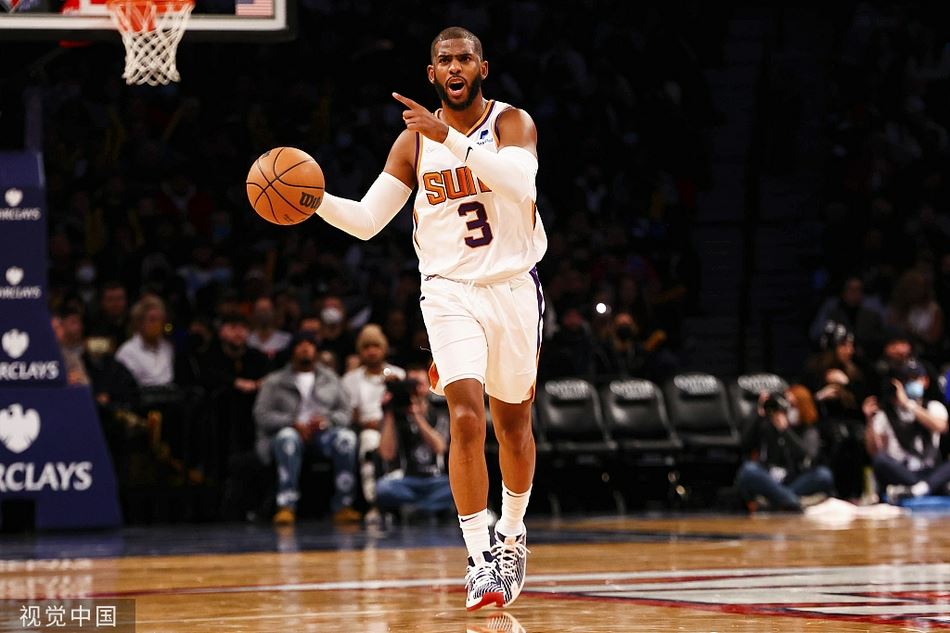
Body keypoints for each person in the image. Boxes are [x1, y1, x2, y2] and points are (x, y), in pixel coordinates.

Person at [312, 26, 545, 610]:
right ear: (432, 73)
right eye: (445, 60)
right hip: (447, 291)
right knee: (465, 416)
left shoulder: (512, 123)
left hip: (513, 287)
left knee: (513, 426)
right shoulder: (412, 144)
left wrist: (451, 139)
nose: (455, 67)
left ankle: (512, 534)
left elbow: (518, 184)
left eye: (465, 58)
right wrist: (313, 202)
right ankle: (480, 558)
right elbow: (367, 220)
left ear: (483, 68)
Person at [252, 331, 360, 525]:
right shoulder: (274, 381)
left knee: (347, 438)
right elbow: (261, 415)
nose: (305, 348)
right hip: (289, 432)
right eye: (300, 344)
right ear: (292, 350)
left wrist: (327, 421)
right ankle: (286, 506)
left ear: (315, 350)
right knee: (287, 438)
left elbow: (346, 413)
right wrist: (292, 422)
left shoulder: (331, 378)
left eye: (310, 344)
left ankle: (344, 505)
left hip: (323, 433)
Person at [340, 324, 406, 524]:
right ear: (360, 351)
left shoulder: (398, 374)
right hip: (367, 429)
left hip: (395, 428)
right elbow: (348, 414)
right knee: (369, 442)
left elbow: (406, 408)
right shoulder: (350, 379)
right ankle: (374, 503)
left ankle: (400, 503)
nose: (371, 351)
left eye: (376, 346)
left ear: (384, 349)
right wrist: (363, 423)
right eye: (366, 347)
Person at [864, 359, 950, 503]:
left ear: (925, 381)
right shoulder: (886, 414)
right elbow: (874, 451)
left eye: (915, 378)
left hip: (930, 471)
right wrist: (869, 421)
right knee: (880, 460)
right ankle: (928, 488)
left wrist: (908, 404)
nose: (911, 383)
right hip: (903, 472)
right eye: (907, 380)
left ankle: (918, 490)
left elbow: (941, 427)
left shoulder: (934, 407)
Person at [736, 388, 835, 512]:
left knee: (823, 474)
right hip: (768, 478)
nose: (788, 409)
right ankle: (792, 501)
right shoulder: (767, 424)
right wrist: (759, 414)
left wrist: (785, 431)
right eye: (786, 404)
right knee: (748, 470)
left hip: (794, 479)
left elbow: (807, 456)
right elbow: (744, 443)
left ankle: (777, 501)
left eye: (792, 405)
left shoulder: (809, 430)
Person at [376, 368, 454, 520]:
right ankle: (429, 508)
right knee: (383, 488)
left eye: (419, 384)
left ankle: (415, 509)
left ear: (428, 386)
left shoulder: (438, 414)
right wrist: (389, 413)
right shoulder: (396, 416)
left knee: (456, 487)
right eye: (411, 385)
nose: (415, 390)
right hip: (407, 480)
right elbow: (386, 454)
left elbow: (439, 447)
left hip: (436, 480)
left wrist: (417, 417)